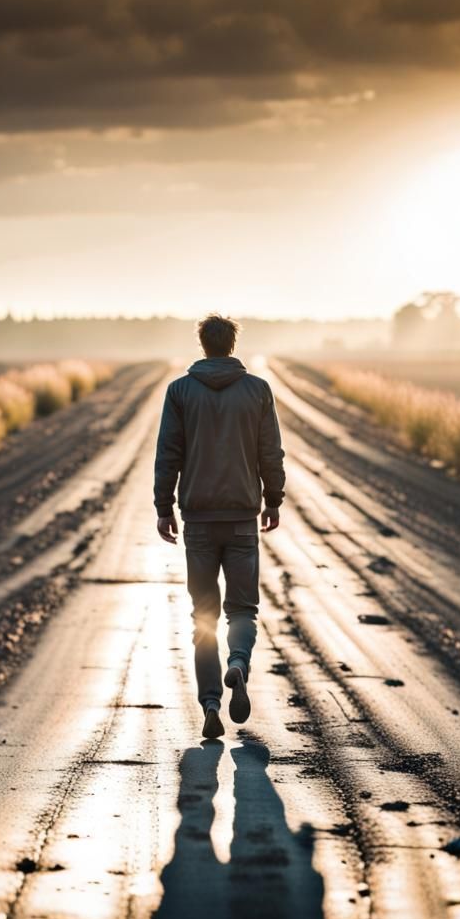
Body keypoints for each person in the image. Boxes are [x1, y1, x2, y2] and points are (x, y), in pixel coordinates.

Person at [154, 314, 286, 739]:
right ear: (231, 344)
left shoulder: (179, 391)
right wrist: (272, 500)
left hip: (198, 521)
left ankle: (211, 703)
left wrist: (164, 506)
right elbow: (272, 453)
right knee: (243, 609)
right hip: (243, 518)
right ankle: (238, 664)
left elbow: (168, 454)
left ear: (202, 344)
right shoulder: (258, 390)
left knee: (204, 615)